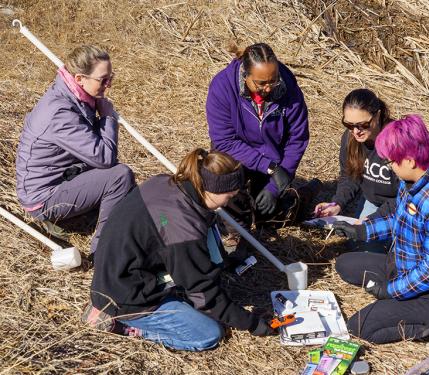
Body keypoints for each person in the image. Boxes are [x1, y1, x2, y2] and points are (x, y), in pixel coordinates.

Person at [83, 149, 276, 351]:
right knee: (209, 334)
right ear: (214, 189)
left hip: (119, 269)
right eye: (230, 196)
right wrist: (250, 322)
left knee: (209, 230)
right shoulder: (183, 228)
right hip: (125, 295)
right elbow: (204, 294)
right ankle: (121, 324)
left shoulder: (168, 183)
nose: (230, 202)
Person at [328, 115, 429, 344]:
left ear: (409, 160)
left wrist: (391, 290)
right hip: (406, 262)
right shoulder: (416, 176)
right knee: (345, 265)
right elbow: (400, 217)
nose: (389, 167)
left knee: (359, 327)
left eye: (390, 162)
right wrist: (362, 231)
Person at [15, 44, 134, 250]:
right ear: (79, 79)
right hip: (44, 198)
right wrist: (106, 118)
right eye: (103, 80)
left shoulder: (76, 95)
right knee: (120, 176)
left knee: (129, 191)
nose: (108, 85)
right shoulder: (60, 113)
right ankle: (104, 248)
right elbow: (105, 158)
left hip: (65, 175)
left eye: (110, 78)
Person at [205, 42, 310, 228]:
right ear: (245, 74)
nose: (269, 88)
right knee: (226, 186)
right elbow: (224, 141)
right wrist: (268, 167)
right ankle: (235, 229)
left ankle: (296, 199)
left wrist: (274, 187)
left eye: (274, 80)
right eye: (261, 83)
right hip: (236, 156)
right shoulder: (222, 87)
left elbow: (297, 139)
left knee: (269, 217)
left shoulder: (289, 90)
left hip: (273, 158)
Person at [312, 89, 400, 225]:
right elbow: (349, 176)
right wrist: (337, 203)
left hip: (401, 204)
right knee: (360, 244)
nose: (356, 131)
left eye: (363, 125)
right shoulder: (350, 139)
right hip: (373, 202)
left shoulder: (398, 141)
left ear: (377, 116)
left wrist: (377, 217)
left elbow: (408, 193)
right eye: (348, 125)